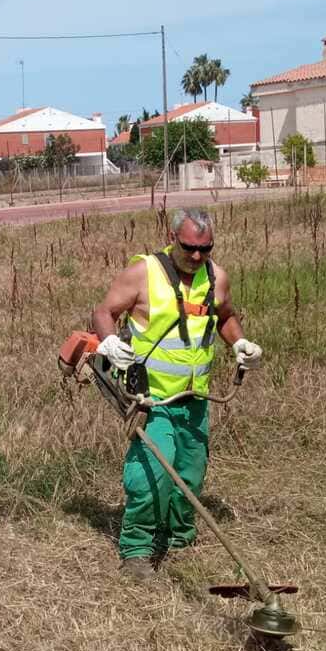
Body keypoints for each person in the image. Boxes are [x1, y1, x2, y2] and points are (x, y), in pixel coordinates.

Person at [91, 207, 262, 582]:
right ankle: (136, 552)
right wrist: (108, 342)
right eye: (189, 248)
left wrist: (240, 343)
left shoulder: (216, 277)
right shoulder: (143, 273)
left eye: (206, 248)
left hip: (195, 399)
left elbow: (225, 316)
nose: (197, 256)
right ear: (172, 239)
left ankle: (180, 542)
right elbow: (104, 310)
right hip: (151, 402)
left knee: (190, 475)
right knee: (151, 476)